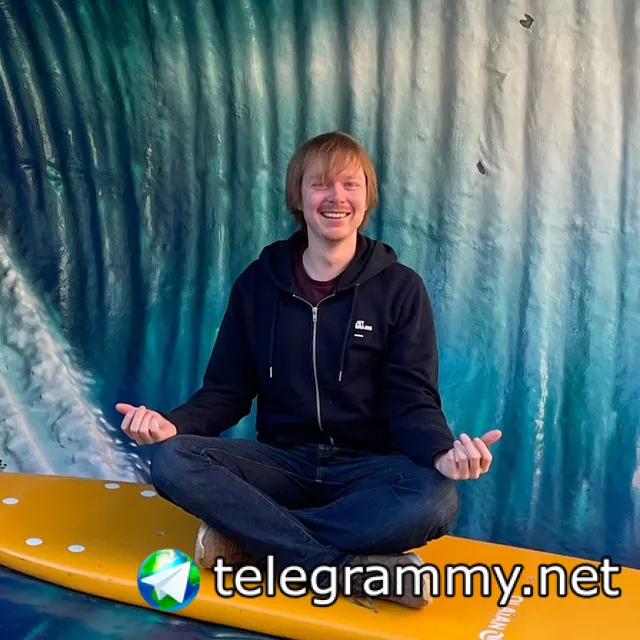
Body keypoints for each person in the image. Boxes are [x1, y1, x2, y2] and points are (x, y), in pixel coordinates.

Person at [116, 131, 502, 610]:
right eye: (321, 184)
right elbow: (225, 392)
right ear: (298, 197)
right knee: (174, 460)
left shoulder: (401, 289)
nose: (336, 197)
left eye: (350, 184)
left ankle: (255, 542)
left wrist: (442, 453)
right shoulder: (257, 285)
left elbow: (412, 399)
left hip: (366, 472)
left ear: (366, 198)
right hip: (283, 465)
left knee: (437, 498)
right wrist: (172, 425)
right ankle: (346, 568)